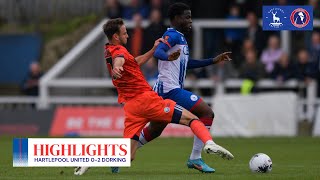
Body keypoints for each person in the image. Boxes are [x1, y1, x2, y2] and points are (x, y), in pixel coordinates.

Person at [74, 18, 234, 176]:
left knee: (128, 155)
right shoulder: (119, 51)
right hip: (146, 101)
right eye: (124, 33)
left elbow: (133, 62)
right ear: (116, 36)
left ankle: (92, 160)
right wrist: (117, 68)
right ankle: (208, 144)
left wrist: (151, 50)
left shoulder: (110, 49)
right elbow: (119, 61)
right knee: (192, 119)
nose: (127, 36)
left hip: (131, 107)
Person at [137, 3, 233, 173]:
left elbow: (186, 63)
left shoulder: (181, 38)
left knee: (155, 130)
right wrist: (166, 56)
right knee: (206, 113)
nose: (190, 20)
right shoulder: (172, 35)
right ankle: (195, 158)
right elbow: (159, 52)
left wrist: (213, 60)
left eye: (190, 16)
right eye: (186, 17)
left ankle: (120, 154)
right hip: (168, 91)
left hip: (167, 90)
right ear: (176, 19)